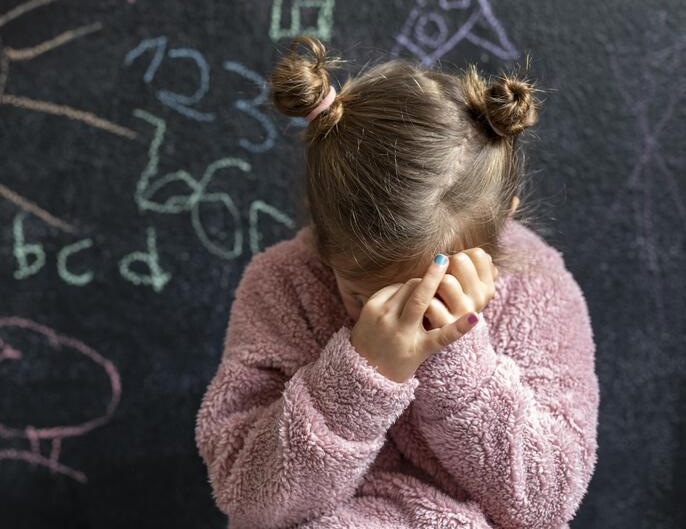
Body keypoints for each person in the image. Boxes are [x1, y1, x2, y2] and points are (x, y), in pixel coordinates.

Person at [194, 35, 600, 529]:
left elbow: (545, 501)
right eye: (363, 295)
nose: (396, 318)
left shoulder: (537, 290)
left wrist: (456, 353)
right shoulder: (283, 285)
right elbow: (248, 494)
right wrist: (363, 375)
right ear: (324, 240)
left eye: (431, 291)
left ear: (503, 226)